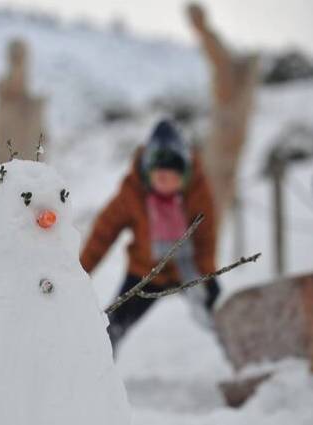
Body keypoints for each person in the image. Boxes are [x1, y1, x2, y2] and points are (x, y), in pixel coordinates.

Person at [80, 120, 219, 351]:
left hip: (189, 268)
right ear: (147, 173)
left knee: (218, 316)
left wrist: (208, 276)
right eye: (159, 176)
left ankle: (248, 363)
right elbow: (103, 234)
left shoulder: (197, 191)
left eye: (173, 177)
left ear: (184, 174)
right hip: (145, 271)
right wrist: (81, 271)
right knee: (113, 326)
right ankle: (98, 372)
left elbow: (206, 238)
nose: (166, 183)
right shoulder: (132, 192)